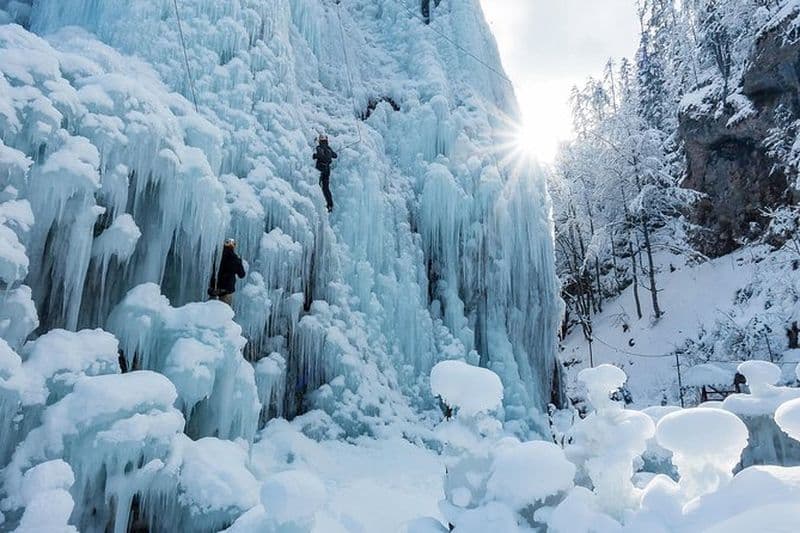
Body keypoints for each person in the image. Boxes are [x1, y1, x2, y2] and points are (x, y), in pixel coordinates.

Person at [209, 238, 245, 305]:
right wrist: (240, 262)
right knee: (223, 312)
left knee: (211, 311)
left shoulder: (216, 256)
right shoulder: (235, 258)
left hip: (213, 289)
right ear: (233, 246)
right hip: (226, 290)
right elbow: (242, 274)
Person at [312, 133, 337, 212]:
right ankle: (330, 205)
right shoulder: (328, 148)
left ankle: (318, 203)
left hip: (320, 169)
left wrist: (315, 156)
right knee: (326, 188)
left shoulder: (319, 147)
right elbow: (335, 155)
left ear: (320, 141)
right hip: (327, 169)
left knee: (318, 186)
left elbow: (320, 155)